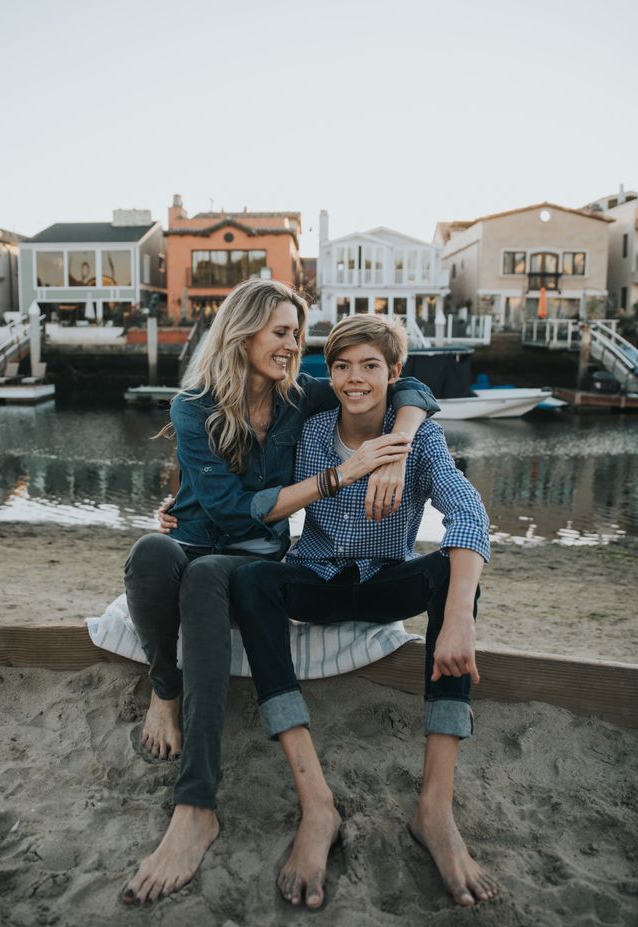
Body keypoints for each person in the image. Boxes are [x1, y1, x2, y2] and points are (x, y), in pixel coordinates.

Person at [120, 279, 439, 905]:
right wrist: (337, 476)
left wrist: (396, 451)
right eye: (282, 332)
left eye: (297, 333)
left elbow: (402, 385)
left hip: (252, 559)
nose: (295, 345)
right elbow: (231, 511)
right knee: (150, 553)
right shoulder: (194, 407)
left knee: (214, 576)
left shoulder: (302, 398)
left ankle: (196, 808)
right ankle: (165, 688)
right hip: (193, 540)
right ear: (243, 333)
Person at [231, 314, 499, 910]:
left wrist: (458, 615)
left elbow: (470, 515)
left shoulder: (420, 436)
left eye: (371, 366)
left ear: (394, 374)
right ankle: (316, 803)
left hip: (384, 583)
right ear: (330, 372)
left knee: (450, 571)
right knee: (251, 582)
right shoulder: (310, 428)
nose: (355, 379)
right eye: (343, 365)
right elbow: (258, 498)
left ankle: (434, 808)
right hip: (318, 575)